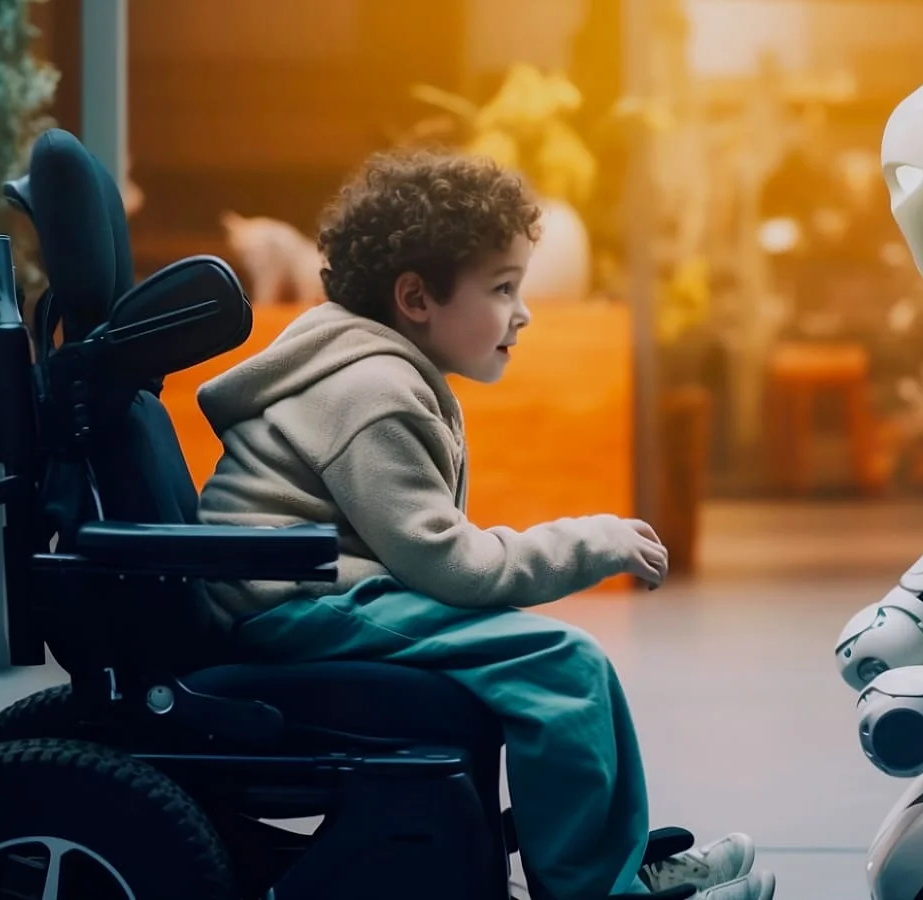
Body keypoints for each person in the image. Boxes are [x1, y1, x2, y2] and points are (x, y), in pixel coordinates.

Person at [195, 148, 776, 900]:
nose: (523, 311)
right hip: (296, 609)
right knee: (561, 668)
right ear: (416, 297)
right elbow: (453, 566)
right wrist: (592, 541)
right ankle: (598, 888)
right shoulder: (373, 391)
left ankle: (608, 866)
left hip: (314, 593)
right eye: (503, 288)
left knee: (558, 664)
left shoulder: (371, 367)